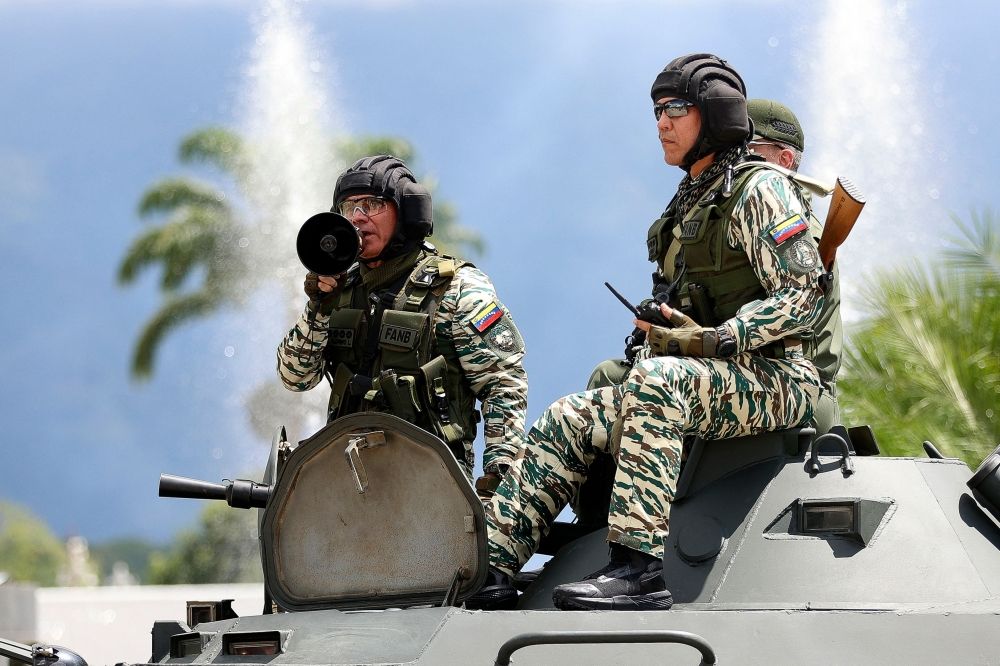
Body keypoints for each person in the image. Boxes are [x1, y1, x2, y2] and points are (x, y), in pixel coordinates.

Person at [472, 54, 827, 612]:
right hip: (713, 377)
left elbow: (804, 297)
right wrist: (665, 328)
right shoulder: (689, 204)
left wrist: (714, 339)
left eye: (675, 109)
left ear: (712, 114)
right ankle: (489, 566)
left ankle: (639, 572)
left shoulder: (759, 191)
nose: (661, 122)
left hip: (779, 377)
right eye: (657, 111)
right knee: (571, 414)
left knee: (660, 382)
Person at [277, 155, 528, 494]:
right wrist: (319, 308)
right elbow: (295, 377)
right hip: (344, 486)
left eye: (372, 204)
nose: (357, 218)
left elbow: (503, 384)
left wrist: (497, 480)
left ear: (406, 212)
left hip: (433, 486)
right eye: (348, 208)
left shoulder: (456, 288)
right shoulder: (337, 291)